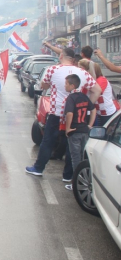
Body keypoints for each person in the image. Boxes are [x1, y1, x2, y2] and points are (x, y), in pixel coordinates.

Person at [25, 48, 101, 179]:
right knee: (72, 146)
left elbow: (44, 86)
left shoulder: (53, 70)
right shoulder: (82, 72)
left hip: (57, 112)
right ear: (73, 59)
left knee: (48, 141)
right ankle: (68, 175)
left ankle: (38, 168)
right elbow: (97, 90)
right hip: (76, 116)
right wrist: (86, 105)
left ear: (61, 56)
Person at [63, 74, 96, 190]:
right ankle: (84, 181)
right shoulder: (83, 96)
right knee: (83, 156)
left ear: (72, 85)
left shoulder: (71, 98)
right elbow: (93, 110)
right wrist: (89, 125)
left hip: (75, 131)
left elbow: (70, 113)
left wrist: (68, 128)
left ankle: (76, 183)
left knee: (75, 157)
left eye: (66, 83)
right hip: (84, 130)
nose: (64, 86)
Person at [78, 60, 120, 125]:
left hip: (107, 113)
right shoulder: (91, 81)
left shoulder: (101, 80)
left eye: (81, 68)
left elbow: (95, 93)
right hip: (98, 113)